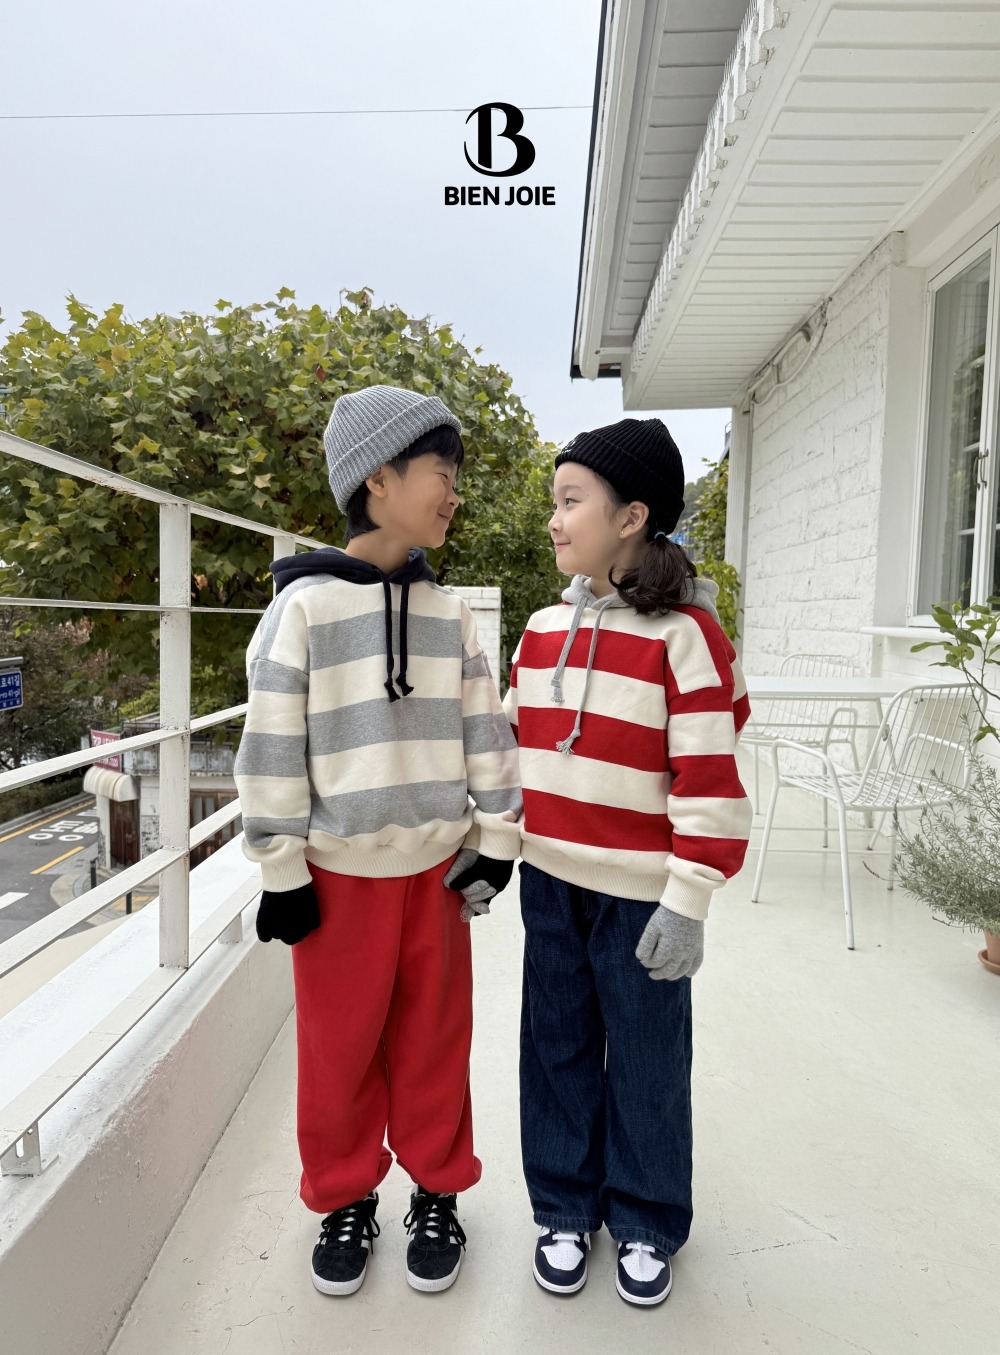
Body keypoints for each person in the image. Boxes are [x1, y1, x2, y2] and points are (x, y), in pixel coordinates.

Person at [233, 385, 521, 1298]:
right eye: (441, 472)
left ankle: (437, 1190)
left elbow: (486, 730)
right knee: (338, 1048)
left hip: (437, 871)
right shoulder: (303, 611)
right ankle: (345, 1196)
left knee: (437, 1039)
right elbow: (270, 742)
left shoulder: (450, 614)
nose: (454, 493)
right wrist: (281, 867)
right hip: (336, 876)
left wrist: (497, 836)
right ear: (378, 478)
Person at [503, 417, 752, 1307]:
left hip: (643, 894)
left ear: (632, 515)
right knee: (555, 1045)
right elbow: (509, 750)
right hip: (549, 881)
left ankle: (646, 1216)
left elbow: (712, 768)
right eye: (555, 501)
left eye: (571, 500)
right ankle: (565, 1207)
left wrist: (690, 896)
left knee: (646, 1056)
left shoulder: (684, 635)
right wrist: (490, 846)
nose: (553, 519)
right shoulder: (541, 628)